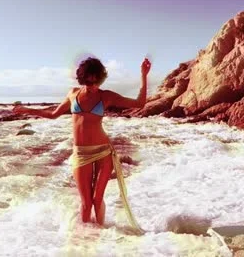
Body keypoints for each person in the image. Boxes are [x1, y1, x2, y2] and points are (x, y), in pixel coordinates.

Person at [13, 57, 151, 232]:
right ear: (82, 78)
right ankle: (84, 243)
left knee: (97, 199)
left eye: (96, 81)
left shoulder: (106, 96)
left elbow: (139, 103)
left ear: (100, 78)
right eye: (88, 81)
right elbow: (54, 114)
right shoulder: (73, 94)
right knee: (86, 203)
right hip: (80, 154)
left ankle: (100, 237)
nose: (92, 85)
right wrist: (27, 110)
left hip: (103, 152)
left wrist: (144, 75)